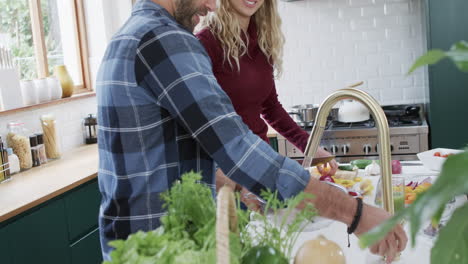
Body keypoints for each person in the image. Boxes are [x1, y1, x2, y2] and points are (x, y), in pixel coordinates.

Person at [96, 0, 407, 262]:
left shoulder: (127, 37)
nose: (211, 5)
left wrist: (238, 183)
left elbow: (169, 154)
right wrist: (354, 213)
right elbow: (237, 150)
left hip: (135, 247)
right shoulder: (163, 39)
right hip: (163, 247)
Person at [195, 0, 337, 201]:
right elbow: (196, 119)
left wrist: (310, 146)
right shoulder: (205, 43)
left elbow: (270, 107)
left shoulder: (261, 41)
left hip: (260, 163)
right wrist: (219, 173)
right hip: (225, 173)